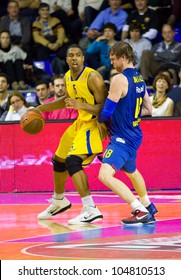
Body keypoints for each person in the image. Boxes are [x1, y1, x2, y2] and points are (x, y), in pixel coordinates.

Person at [36, 44, 108, 224]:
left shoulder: (93, 77)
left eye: (78, 55)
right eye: (71, 55)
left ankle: (90, 208)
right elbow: (66, 101)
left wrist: (81, 106)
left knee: (73, 161)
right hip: (80, 123)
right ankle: (59, 200)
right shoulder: (67, 76)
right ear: (66, 60)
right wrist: (39, 108)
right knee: (58, 160)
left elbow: (106, 108)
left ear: (83, 58)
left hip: (95, 123)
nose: (74, 58)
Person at [98, 41, 158, 225]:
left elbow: (106, 113)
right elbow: (149, 110)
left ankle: (139, 210)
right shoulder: (139, 78)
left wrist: (98, 121)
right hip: (135, 134)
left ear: (123, 57)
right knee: (131, 171)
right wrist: (129, 112)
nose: (112, 63)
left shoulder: (119, 79)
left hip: (121, 137)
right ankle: (148, 205)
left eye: (114, 59)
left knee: (104, 176)